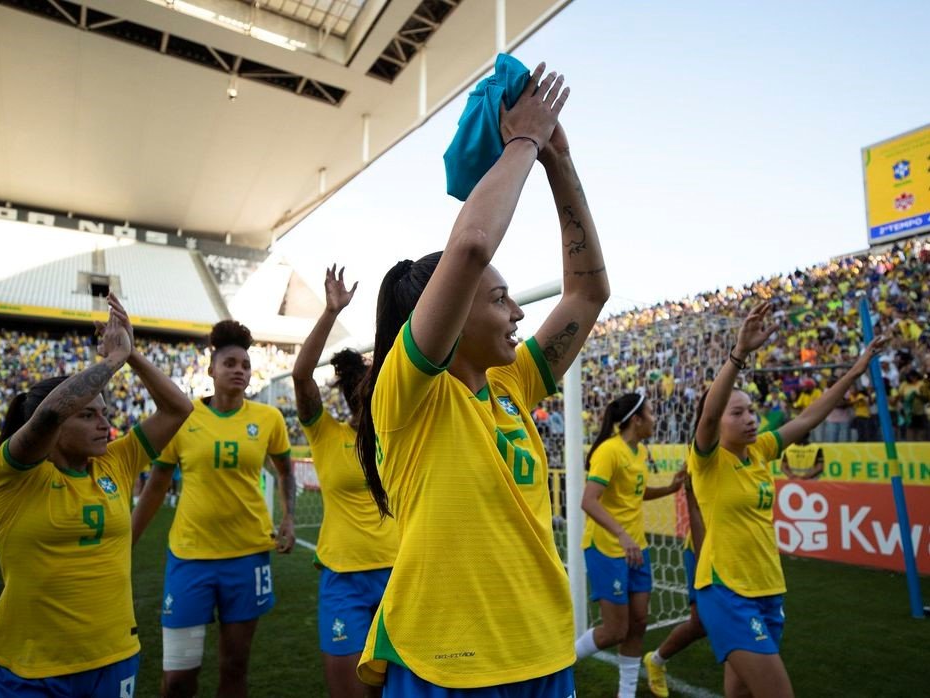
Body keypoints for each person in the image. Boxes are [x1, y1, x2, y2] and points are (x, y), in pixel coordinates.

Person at [355, 64, 609, 694]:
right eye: (499, 299)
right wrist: (523, 139)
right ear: (450, 310)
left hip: (544, 651)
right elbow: (469, 246)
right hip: (448, 662)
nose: (519, 311)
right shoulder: (408, 393)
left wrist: (559, 163)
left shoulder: (511, 385)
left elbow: (588, 293)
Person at [0, 294, 192, 695]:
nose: (104, 425)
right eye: (88, 415)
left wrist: (132, 356)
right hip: (31, 663)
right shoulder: (14, 474)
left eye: (106, 414)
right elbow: (51, 412)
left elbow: (178, 408)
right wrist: (110, 361)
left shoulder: (115, 462)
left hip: (113, 654)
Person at [690, 301, 885, 697]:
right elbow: (708, 418)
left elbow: (809, 418)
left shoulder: (761, 449)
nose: (750, 419)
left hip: (768, 589)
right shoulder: (707, 459)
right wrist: (739, 354)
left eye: (752, 411)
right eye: (737, 413)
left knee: (740, 693)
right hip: (727, 590)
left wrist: (854, 372)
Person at [132, 319, 296, 698]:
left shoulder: (268, 418)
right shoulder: (183, 417)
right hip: (191, 558)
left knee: (234, 668)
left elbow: (286, 471)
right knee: (178, 679)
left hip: (249, 555)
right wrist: (127, 539)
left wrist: (288, 518)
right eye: (230, 363)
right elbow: (157, 485)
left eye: (245, 365)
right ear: (212, 370)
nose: (239, 370)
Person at [291, 265, 398, 698]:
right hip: (344, 580)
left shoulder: (397, 432)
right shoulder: (324, 431)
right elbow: (301, 376)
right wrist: (331, 313)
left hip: (399, 573)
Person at [574, 393, 685, 698]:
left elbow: (635, 493)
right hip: (607, 547)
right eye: (651, 413)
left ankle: (626, 694)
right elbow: (589, 501)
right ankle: (562, 663)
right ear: (636, 420)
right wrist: (622, 535)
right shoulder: (610, 451)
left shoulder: (638, 452)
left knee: (638, 623)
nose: (655, 418)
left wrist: (669, 489)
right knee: (615, 630)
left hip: (637, 548)